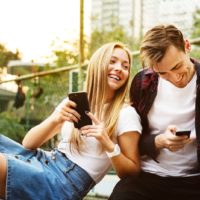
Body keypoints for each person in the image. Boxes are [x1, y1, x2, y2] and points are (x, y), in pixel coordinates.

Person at [0, 42, 142, 200]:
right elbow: (28, 144)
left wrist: (107, 142)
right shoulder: (76, 102)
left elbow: (132, 171)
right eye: (113, 61)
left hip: (62, 183)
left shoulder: (125, 113)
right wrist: (57, 118)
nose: (119, 68)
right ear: (98, 64)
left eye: (125, 66)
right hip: (43, 160)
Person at [109, 24, 200, 200]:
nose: (174, 78)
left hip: (194, 180)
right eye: (163, 73)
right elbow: (133, 144)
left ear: (187, 46)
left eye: (176, 67)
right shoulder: (143, 83)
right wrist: (158, 141)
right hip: (149, 176)